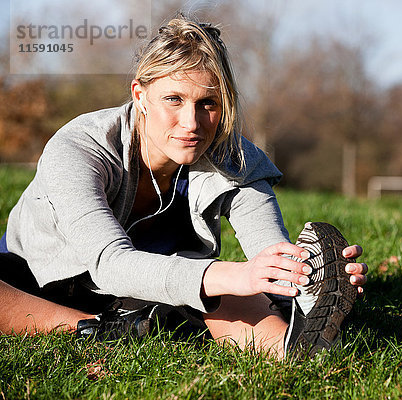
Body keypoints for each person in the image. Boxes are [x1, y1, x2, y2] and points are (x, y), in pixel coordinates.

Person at [0, 17, 367, 359]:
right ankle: (89, 328)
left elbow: (267, 249)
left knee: (226, 288)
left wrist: (307, 279)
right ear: (140, 95)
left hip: (164, 286)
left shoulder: (238, 160)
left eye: (208, 103)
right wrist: (236, 274)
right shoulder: (79, 149)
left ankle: (297, 348)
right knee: (223, 278)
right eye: (173, 100)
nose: (191, 123)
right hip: (41, 281)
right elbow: (109, 265)